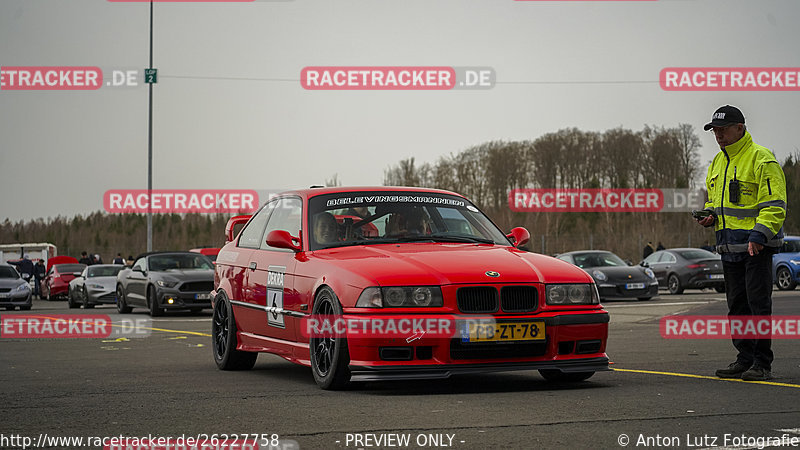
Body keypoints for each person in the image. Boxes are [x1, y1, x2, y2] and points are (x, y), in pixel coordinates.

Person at [695, 105, 786, 381]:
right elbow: (716, 202)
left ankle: (762, 363)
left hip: (755, 247)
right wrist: (709, 215)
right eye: (715, 131)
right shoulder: (717, 163)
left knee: (758, 305)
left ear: (740, 128)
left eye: (723, 130)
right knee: (737, 305)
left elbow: (775, 205)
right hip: (729, 247)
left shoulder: (762, 159)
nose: (719, 135)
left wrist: (759, 234)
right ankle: (744, 358)